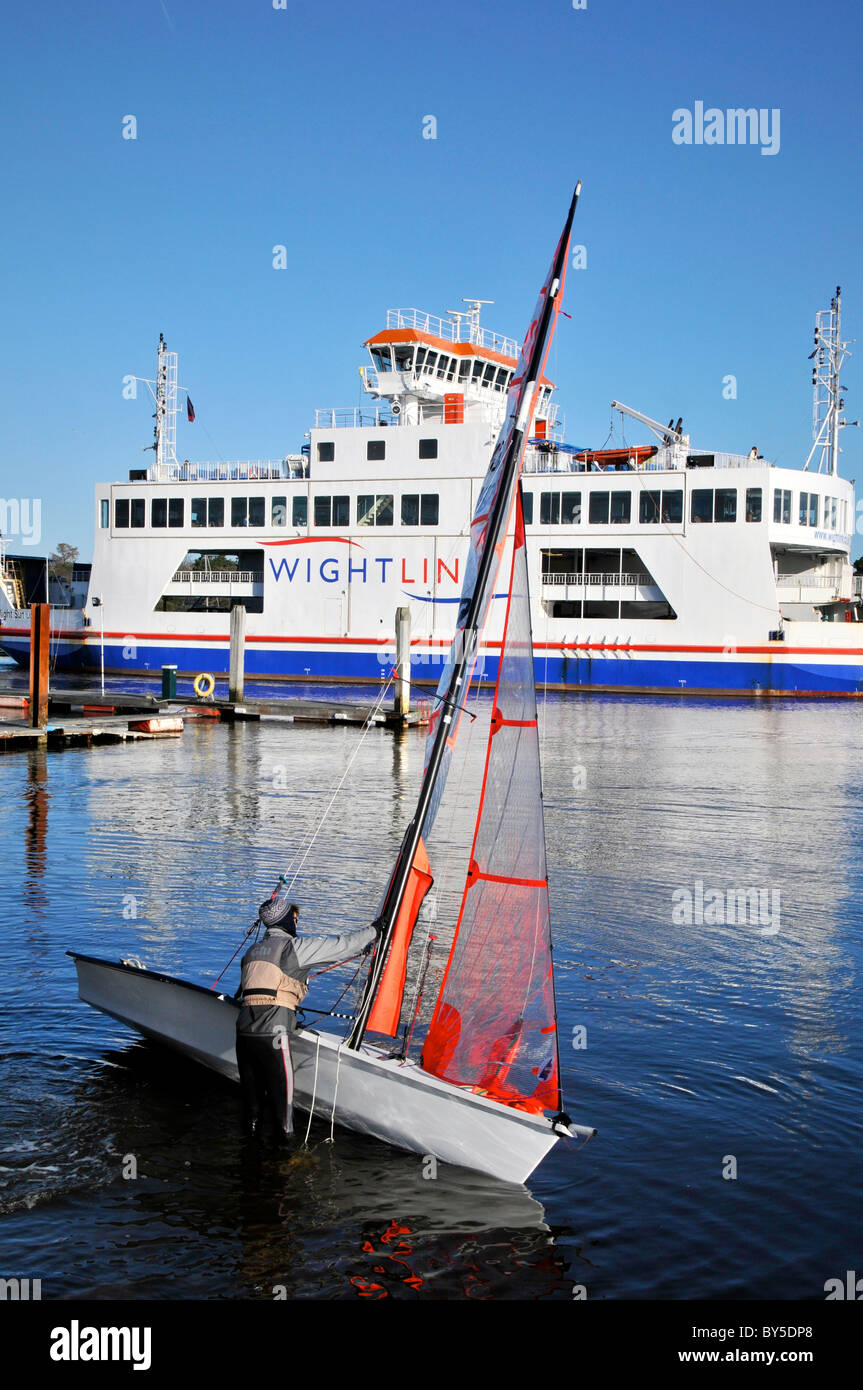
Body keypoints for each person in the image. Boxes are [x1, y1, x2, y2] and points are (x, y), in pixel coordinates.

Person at [235, 896, 380, 1142]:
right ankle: (286, 1166)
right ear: (286, 920)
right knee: (284, 1118)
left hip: (243, 1034)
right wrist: (376, 930)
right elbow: (343, 945)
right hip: (273, 1035)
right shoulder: (294, 948)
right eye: (295, 918)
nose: (296, 922)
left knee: (252, 1112)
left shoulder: (251, 952)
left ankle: (249, 1164)